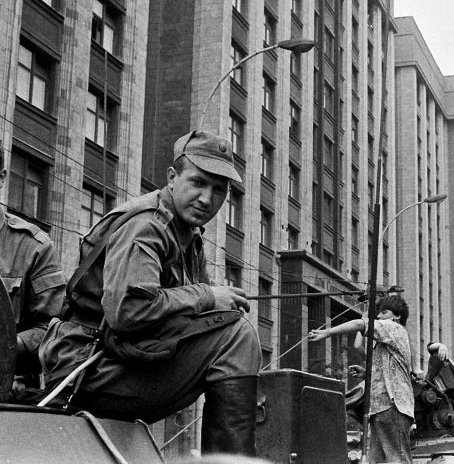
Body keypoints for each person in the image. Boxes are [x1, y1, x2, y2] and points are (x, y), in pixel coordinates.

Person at [39, 130, 261, 456]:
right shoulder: (146, 225)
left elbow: (199, 312)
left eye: (219, 190)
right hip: (88, 371)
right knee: (237, 338)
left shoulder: (187, 233)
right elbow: (128, 312)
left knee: (232, 327)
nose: (206, 198)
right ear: (172, 177)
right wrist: (207, 296)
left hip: (121, 359)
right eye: (198, 183)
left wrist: (219, 302)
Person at [308, 295, 414, 464]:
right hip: (381, 408)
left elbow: (360, 324)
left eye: (384, 312)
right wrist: (367, 374)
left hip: (392, 406)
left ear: (397, 316)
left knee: (398, 459)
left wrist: (327, 332)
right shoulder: (386, 340)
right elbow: (389, 371)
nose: (379, 316)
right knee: (376, 460)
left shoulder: (395, 328)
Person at [0, 146, 66, 399]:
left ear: (2, 177)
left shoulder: (34, 247)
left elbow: (53, 330)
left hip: (9, 394)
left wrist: (7, 344)